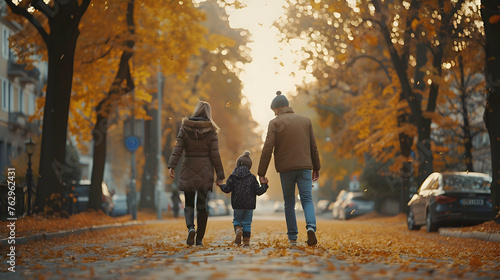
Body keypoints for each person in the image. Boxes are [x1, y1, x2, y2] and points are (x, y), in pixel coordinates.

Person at [258, 91, 321, 246]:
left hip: (286, 169)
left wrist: (261, 173)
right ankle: (311, 227)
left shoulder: (275, 123)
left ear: (278, 108)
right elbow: (313, 146)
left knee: (289, 202)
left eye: (274, 111)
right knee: (307, 199)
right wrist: (316, 167)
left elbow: (267, 148)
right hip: (305, 167)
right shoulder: (305, 121)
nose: (274, 114)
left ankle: (292, 236)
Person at [167, 101, 225, 246]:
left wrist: (172, 165)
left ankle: (190, 228)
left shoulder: (185, 127)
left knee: (188, 203)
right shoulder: (211, 130)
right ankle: (199, 238)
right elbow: (215, 154)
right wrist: (220, 175)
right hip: (205, 171)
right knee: (202, 206)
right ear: (208, 113)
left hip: (188, 169)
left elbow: (178, 148)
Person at [219, 151, 268, 246]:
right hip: (249, 205)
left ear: (237, 164)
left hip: (237, 205)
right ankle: (246, 242)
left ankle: (238, 230)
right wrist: (264, 185)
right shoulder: (252, 178)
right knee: (247, 223)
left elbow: (227, 189)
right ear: (249, 166)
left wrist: (221, 185)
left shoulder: (233, 177)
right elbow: (258, 191)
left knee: (237, 221)